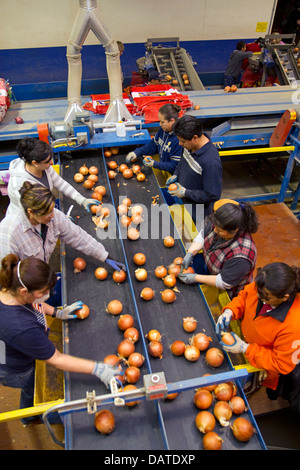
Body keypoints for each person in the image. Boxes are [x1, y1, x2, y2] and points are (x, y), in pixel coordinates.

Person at [0, 254, 122, 424]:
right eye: (43, 292)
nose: (47, 294)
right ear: (24, 291)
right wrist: (98, 369)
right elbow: (56, 359)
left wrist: (57, 312)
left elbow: (34, 303)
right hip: (13, 367)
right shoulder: (21, 327)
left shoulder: (9, 288)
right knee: (30, 386)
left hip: (7, 345)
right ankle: (28, 417)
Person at [216, 262, 300, 404]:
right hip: (246, 342)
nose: (260, 298)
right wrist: (230, 310)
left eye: (266, 298)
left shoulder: (293, 325)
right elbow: (244, 296)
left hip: (262, 363)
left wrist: (245, 348)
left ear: (284, 297)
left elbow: (281, 364)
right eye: (258, 293)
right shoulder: (263, 287)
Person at [0, 182, 125, 273]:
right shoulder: (10, 233)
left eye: (53, 209)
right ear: (31, 212)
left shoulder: (54, 216)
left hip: (40, 275)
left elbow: (77, 236)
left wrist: (105, 256)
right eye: (48, 213)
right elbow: (9, 274)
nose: (53, 215)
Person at [179, 200, 258, 298]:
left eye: (220, 231)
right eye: (215, 226)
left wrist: (195, 278)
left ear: (235, 230)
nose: (215, 230)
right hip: (212, 272)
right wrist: (190, 253)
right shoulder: (220, 224)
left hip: (229, 291)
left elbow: (225, 282)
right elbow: (202, 236)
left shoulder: (242, 255)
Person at [6, 137, 100, 217]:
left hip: (44, 212)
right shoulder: (19, 184)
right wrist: (59, 218)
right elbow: (38, 210)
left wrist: (82, 200)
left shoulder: (44, 167)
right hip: (27, 221)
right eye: (47, 161)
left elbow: (60, 184)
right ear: (35, 163)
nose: (51, 162)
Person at [166, 115, 222, 223]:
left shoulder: (210, 162)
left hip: (198, 213)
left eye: (182, 141)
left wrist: (185, 192)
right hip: (185, 203)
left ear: (195, 138)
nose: (179, 144)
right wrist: (176, 174)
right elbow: (183, 161)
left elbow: (213, 195)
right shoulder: (189, 146)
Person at [126, 104, 182, 174]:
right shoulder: (163, 130)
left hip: (174, 175)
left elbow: (175, 165)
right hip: (164, 169)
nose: (160, 124)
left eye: (162, 122)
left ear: (172, 121)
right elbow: (152, 146)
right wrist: (137, 152)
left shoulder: (179, 140)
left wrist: (155, 164)